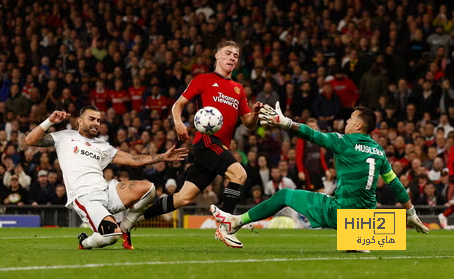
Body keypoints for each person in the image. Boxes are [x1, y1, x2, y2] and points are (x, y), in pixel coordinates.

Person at [210, 102, 429, 252]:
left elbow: (312, 134)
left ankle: (235, 223)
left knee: (285, 194)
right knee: (355, 240)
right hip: (368, 220)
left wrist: (285, 122)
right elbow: (395, 184)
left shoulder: (343, 141)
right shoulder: (379, 152)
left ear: (359, 125)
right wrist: (410, 212)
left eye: (351, 119)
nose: (347, 121)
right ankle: (360, 240)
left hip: (341, 213)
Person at [142, 40, 262, 248]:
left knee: (183, 198)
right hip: (206, 141)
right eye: (228, 53)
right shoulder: (204, 80)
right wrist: (178, 122)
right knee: (239, 174)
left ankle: (136, 217)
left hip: (218, 147)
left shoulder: (238, 89)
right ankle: (226, 227)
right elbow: (178, 104)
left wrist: (256, 114)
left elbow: (248, 123)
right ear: (217, 56)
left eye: (235, 55)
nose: (232, 57)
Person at [24, 106, 188, 249]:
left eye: (98, 120)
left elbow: (133, 159)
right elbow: (30, 140)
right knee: (111, 236)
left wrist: (162, 157)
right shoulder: (64, 136)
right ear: (79, 121)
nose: (96, 123)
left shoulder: (102, 145)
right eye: (92, 119)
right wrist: (49, 121)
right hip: (85, 197)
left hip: (106, 191)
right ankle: (85, 242)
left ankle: (126, 226)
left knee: (149, 189)